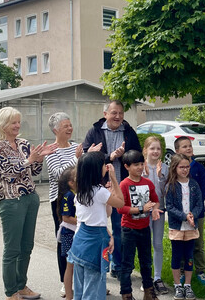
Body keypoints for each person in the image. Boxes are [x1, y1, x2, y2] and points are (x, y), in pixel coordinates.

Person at [0, 107, 58, 300]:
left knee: (27, 246)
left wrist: (39, 158)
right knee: (12, 248)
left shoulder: (24, 143)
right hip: (10, 200)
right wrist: (29, 160)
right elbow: (7, 173)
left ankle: (21, 286)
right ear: (2, 124)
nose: (17, 126)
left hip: (30, 197)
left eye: (19, 122)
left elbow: (34, 172)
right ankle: (11, 291)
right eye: (13, 122)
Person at [82, 100, 142, 278]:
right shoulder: (95, 131)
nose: (118, 117)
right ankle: (99, 266)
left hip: (120, 186)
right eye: (114, 113)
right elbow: (87, 155)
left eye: (121, 113)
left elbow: (137, 155)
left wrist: (125, 158)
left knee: (119, 227)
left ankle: (118, 266)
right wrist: (110, 156)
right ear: (105, 113)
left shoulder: (129, 132)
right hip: (98, 187)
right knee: (97, 227)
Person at [69, 152, 125, 300]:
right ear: (96, 170)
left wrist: (109, 235)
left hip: (80, 241)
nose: (105, 168)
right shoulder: (100, 192)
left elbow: (102, 215)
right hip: (95, 243)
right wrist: (113, 178)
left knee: (80, 287)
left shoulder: (80, 192)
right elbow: (121, 203)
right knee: (93, 289)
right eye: (103, 165)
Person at [45, 112, 83, 295]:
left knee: (83, 237)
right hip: (60, 201)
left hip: (81, 198)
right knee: (65, 240)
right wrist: (76, 158)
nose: (70, 128)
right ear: (55, 130)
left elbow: (82, 169)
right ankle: (65, 281)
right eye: (65, 126)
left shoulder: (76, 146)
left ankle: (83, 279)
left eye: (70, 125)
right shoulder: (51, 150)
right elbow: (60, 174)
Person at [118, 150, 161, 300]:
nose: (140, 167)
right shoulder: (124, 184)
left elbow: (155, 200)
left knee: (146, 262)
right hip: (129, 229)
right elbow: (120, 208)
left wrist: (155, 210)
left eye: (142, 164)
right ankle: (126, 293)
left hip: (144, 228)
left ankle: (149, 291)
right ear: (127, 166)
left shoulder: (148, 183)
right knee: (127, 264)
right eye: (136, 165)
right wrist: (140, 209)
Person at [166, 154, 203, 300]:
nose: (185, 170)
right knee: (177, 256)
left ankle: (187, 285)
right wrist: (184, 216)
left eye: (187, 167)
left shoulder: (194, 184)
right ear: (175, 168)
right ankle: (177, 286)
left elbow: (199, 203)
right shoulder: (171, 185)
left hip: (191, 228)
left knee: (189, 256)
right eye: (182, 167)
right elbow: (169, 206)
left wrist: (193, 215)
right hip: (177, 228)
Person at [174, 136, 205, 285]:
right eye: (184, 146)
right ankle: (182, 270)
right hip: (180, 216)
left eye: (190, 146)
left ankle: (200, 271)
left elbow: (204, 191)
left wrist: (194, 212)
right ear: (177, 151)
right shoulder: (175, 170)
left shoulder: (198, 168)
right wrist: (183, 213)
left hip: (197, 214)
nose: (188, 148)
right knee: (182, 242)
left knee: (198, 244)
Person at [142, 136, 169, 294]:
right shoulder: (140, 167)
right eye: (152, 148)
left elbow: (165, 193)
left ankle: (157, 277)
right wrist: (145, 175)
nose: (155, 151)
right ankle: (147, 279)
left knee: (157, 244)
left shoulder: (164, 168)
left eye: (158, 148)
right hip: (144, 212)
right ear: (145, 150)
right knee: (145, 245)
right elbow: (139, 188)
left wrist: (160, 177)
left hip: (159, 211)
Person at [57, 167, 78, 300]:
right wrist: (84, 221)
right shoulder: (68, 196)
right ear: (71, 182)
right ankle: (68, 290)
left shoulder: (77, 193)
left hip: (76, 232)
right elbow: (66, 217)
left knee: (79, 263)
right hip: (68, 233)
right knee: (70, 264)